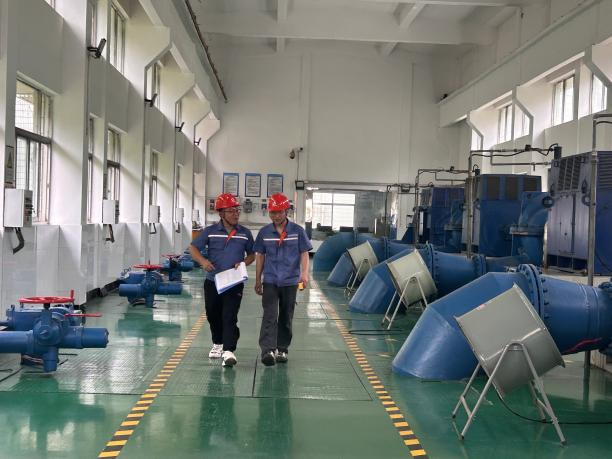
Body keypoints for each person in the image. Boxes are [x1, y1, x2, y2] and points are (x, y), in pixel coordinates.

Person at [190, 193, 254, 367]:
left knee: (229, 315)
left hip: (234, 282)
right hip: (213, 281)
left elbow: (252, 255)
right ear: (221, 213)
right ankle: (218, 342)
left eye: (237, 210)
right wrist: (203, 262)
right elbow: (193, 248)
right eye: (231, 211)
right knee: (212, 314)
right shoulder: (210, 232)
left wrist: (243, 262)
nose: (235, 214)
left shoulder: (245, 233)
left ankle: (229, 350)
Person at [254, 193, 312, 366]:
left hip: (290, 281)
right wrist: (258, 279)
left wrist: (304, 274)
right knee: (270, 315)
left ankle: (282, 349)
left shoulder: (297, 231)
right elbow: (260, 256)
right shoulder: (264, 232)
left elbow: (304, 253)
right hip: (270, 280)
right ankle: (267, 350)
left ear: (287, 211)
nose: (276, 216)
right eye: (273, 212)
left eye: (279, 212)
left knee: (286, 315)